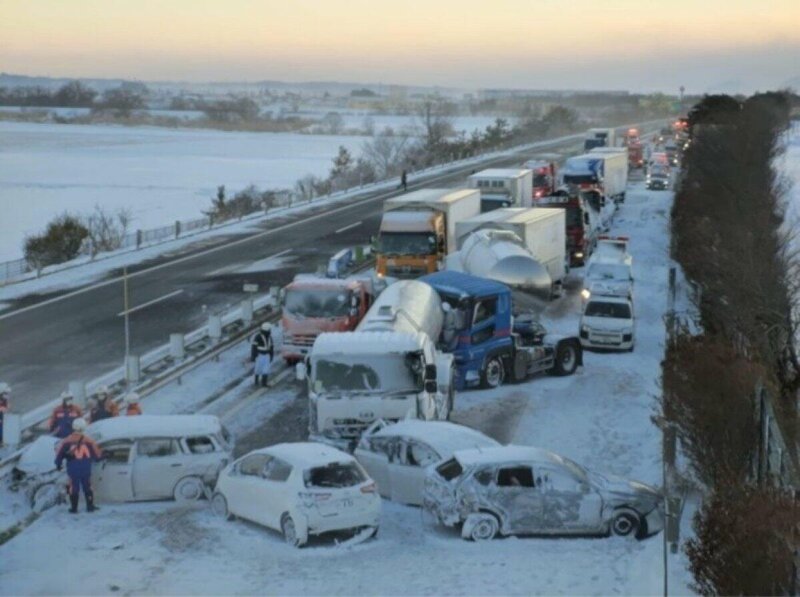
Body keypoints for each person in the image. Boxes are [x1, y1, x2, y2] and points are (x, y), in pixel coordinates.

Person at [55, 418, 102, 513]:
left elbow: (59, 454)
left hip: (73, 468)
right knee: (88, 486)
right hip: (85, 468)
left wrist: (58, 464)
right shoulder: (89, 441)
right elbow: (97, 455)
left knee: (73, 487)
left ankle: (74, 508)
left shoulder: (66, 441)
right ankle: (90, 506)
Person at [251, 322, 275, 387]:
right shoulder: (258, 337)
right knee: (258, 368)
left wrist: (271, 355)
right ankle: (256, 381)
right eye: (269, 329)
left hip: (266, 355)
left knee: (266, 369)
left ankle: (264, 383)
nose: (270, 331)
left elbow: (271, 347)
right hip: (259, 355)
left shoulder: (270, 338)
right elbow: (254, 347)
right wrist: (253, 356)